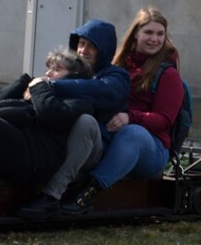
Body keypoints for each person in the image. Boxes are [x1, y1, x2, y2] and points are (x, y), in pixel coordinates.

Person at [0, 49, 97, 222]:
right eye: (48, 68)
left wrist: (38, 87)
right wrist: (24, 82)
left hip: (37, 158)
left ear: (74, 77)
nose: (48, 73)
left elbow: (52, 115)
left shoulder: (79, 99)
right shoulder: (39, 91)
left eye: (57, 69)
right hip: (17, 144)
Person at [13, 19, 132, 219]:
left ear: (105, 50)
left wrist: (51, 85)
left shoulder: (116, 76)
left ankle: (51, 195)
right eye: (82, 43)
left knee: (85, 122)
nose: (84, 50)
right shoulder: (66, 71)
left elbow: (103, 90)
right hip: (56, 141)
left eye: (92, 46)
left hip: (92, 150)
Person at [73, 7, 183, 206]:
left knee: (132, 133)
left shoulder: (168, 74)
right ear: (135, 34)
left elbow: (164, 120)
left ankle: (88, 193)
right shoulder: (118, 64)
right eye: (148, 32)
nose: (154, 39)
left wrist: (130, 117)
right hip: (111, 136)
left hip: (150, 148)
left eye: (160, 34)